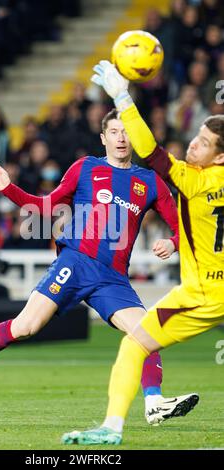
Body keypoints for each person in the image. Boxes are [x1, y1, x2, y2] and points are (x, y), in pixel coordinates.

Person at [0, 110, 196, 437]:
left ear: (135, 138)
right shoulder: (86, 167)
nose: (120, 138)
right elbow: (45, 206)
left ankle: (154, 402)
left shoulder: (150, 182)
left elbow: (183, 228)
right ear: (103, 137)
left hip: (113, 278)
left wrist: (173, 243)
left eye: (126, 132)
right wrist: (8, 188)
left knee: (147, 334)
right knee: (26, 326)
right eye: (113, 131)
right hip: (75, 263)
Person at [61, 60, 224, 445]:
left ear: (218, 157)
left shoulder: (194, 180)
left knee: (135, 343)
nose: (193, 143)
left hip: (205, 293)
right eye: (197, 134)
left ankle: (111, 429)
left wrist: (121, 96)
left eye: (203, 142)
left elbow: (150, 151)